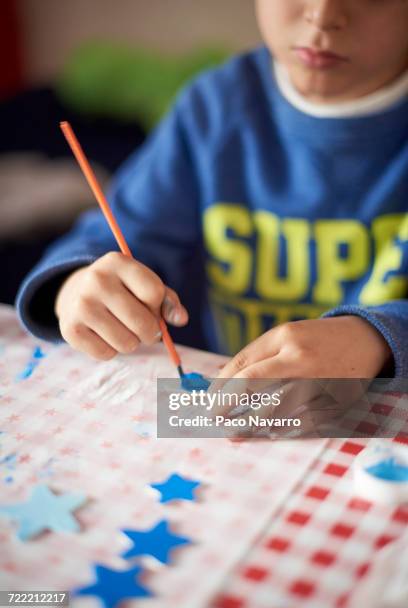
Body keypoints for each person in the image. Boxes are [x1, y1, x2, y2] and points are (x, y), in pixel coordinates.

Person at [17, 0, 408, 381]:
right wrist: (77, 287)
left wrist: (380, 340)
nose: (322, 15)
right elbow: (108, 241)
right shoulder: (213, 109)